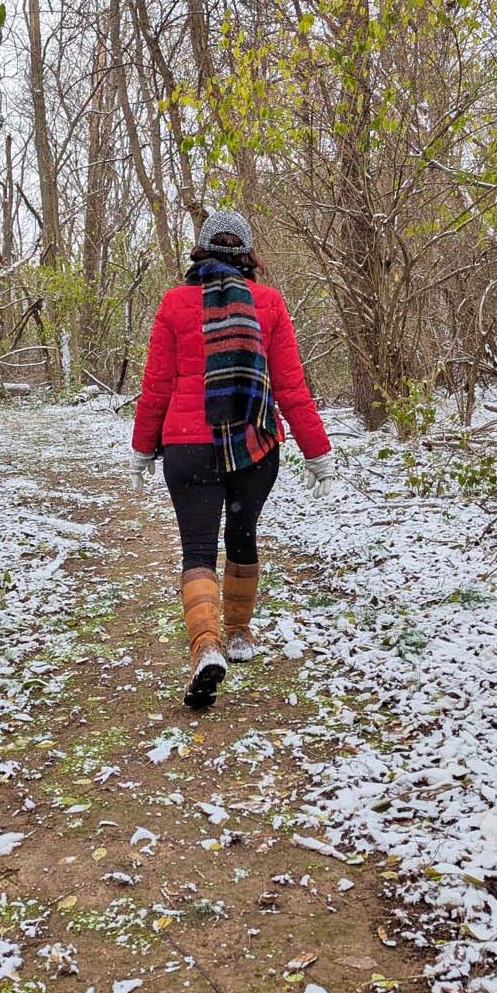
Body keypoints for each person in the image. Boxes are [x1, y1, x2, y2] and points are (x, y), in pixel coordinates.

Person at [130, 210, 334, 709]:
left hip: (187, 445)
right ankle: (239, 634)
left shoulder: (176, 304)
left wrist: (141, 447)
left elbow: (156, 384)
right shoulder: (268, 303)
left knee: (197, 548)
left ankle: (206, 647)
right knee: (241, 535)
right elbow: (289, 386)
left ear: (202, 249)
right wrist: (317, 452)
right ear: (246, 253)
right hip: (255, 444)